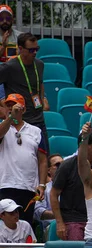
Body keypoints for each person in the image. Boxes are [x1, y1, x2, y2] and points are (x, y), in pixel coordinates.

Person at [0, 93, 47, 225]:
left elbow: (43, 160)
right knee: (4, 227)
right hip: (5, 184)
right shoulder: (3, 126)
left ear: (24, 109)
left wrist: (42, 184)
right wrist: (10, 118)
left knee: (25, 224)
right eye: (8, 105)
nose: (11, 107)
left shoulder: (36, 131)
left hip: (28, 186)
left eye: (15, 105)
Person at [50, 130, 92, 241]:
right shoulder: (67, 165)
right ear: (85, 146)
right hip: (73, 219)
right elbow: (54, 194)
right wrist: (59, 223)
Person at [0, 33, 49, 146]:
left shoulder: (39, 64)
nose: (35, 53)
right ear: (21, 49)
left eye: (37, 49)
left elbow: (40, 84)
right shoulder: (9, 67)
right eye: (31, 50)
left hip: (39, 120)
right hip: (18, 122)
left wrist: (41, 99)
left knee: (43, 158)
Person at [33, 153, 63, 232]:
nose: (61, 167)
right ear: (48, 170)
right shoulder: (43, 190)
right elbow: (38, 212)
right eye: (57, 165)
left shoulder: (73, 188)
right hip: (51, 228)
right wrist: (59, 215)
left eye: (63, 164)